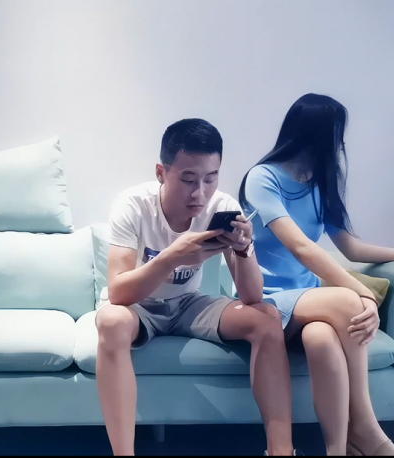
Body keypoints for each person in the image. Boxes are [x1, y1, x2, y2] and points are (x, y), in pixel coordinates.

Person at [239, 93, 394, 456]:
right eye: (337, 133)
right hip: (264, 301)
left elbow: (352, 248)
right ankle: (367, 427)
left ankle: (339, 448)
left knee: (321, 338)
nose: (341, 143)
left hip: (306, 305)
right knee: (349, 302)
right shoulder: (263, 178)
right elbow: (301, 247)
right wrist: (362, 294)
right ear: (318, 133)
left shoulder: (320, 184)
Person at [96, 118, 297, 456]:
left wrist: (244, 249)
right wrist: (172, 256)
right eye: (188, 179)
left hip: (189, 304)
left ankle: (281, 451)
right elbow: (118, 292)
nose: (199, 193)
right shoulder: (133, 205)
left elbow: (252, 297)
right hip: (138, 307)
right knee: (111, 321)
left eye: (210, 179)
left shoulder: (223, 207)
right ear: (161, 172)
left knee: (266, 317)